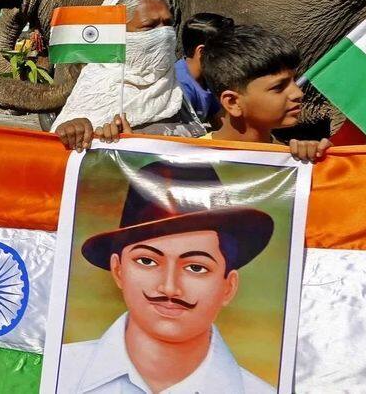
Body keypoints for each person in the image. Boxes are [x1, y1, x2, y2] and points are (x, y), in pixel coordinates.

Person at [58, 161, 275, 393]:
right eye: (147, 261)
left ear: (228, 287)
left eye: (196, 267)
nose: (169, 288)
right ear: (118, 269)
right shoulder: (59, 370)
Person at [53, 0, 205, 151]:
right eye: (149, 26)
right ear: (117, 34)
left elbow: (197, 140)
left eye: (168, 24)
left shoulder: (171, 84)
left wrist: (141, 141)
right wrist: (77, 132)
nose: (164, 35)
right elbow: (60, 153)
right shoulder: (94, 88)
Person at [202, 25, 331, 162]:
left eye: (294, 80)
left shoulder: (294, 160)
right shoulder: (186, 166)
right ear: (233, 102)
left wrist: (322, 161)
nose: (298, 93)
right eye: (278, 87)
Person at [176, 12, 233, 127]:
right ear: (201, 52)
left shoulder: (205, 78)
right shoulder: (180, 88)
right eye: (226, 50)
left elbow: (219, 120)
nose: (232, 57)